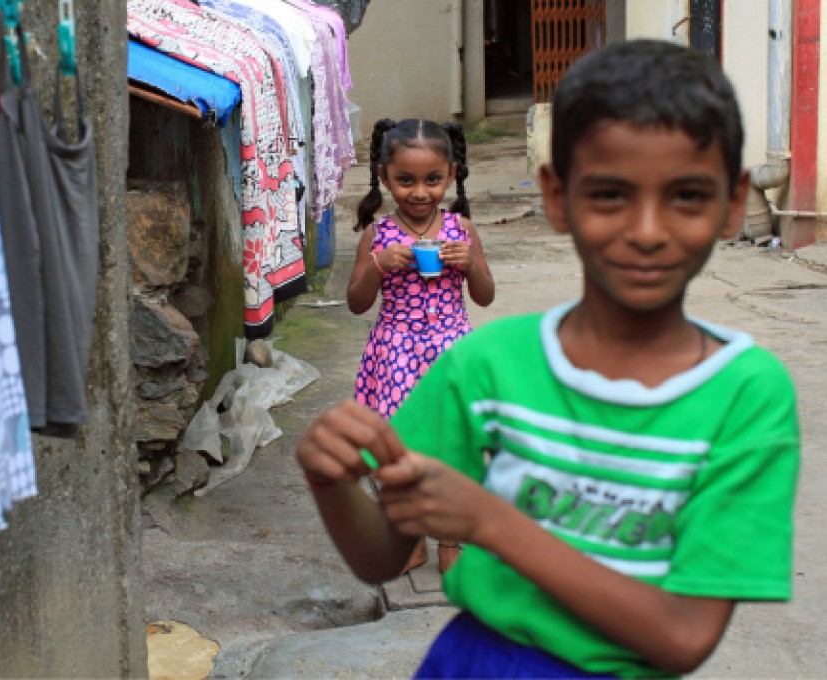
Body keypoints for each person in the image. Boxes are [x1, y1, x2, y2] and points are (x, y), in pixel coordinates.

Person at [297, 39, 800, 679]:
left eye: (686, 195)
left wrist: (491, 524)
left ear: (732, 206)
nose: (646, 229)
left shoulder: (745, 393)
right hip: (469, 662)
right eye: (610, 193)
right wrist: (331, 483)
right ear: (558, 198)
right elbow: (380, 554)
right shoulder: (483, 367)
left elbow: (683, 637)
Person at [348, 118, 496, 574]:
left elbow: (485, 295)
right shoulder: (377, 236)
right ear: (384, 177)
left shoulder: (461, 229)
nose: (420, 192)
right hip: (395, 353)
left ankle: (451, 540)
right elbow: (357, 302)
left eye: (433, 180)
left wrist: (470, 262)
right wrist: (378, 265)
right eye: (405, 180)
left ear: (451, 175)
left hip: (452, 352)